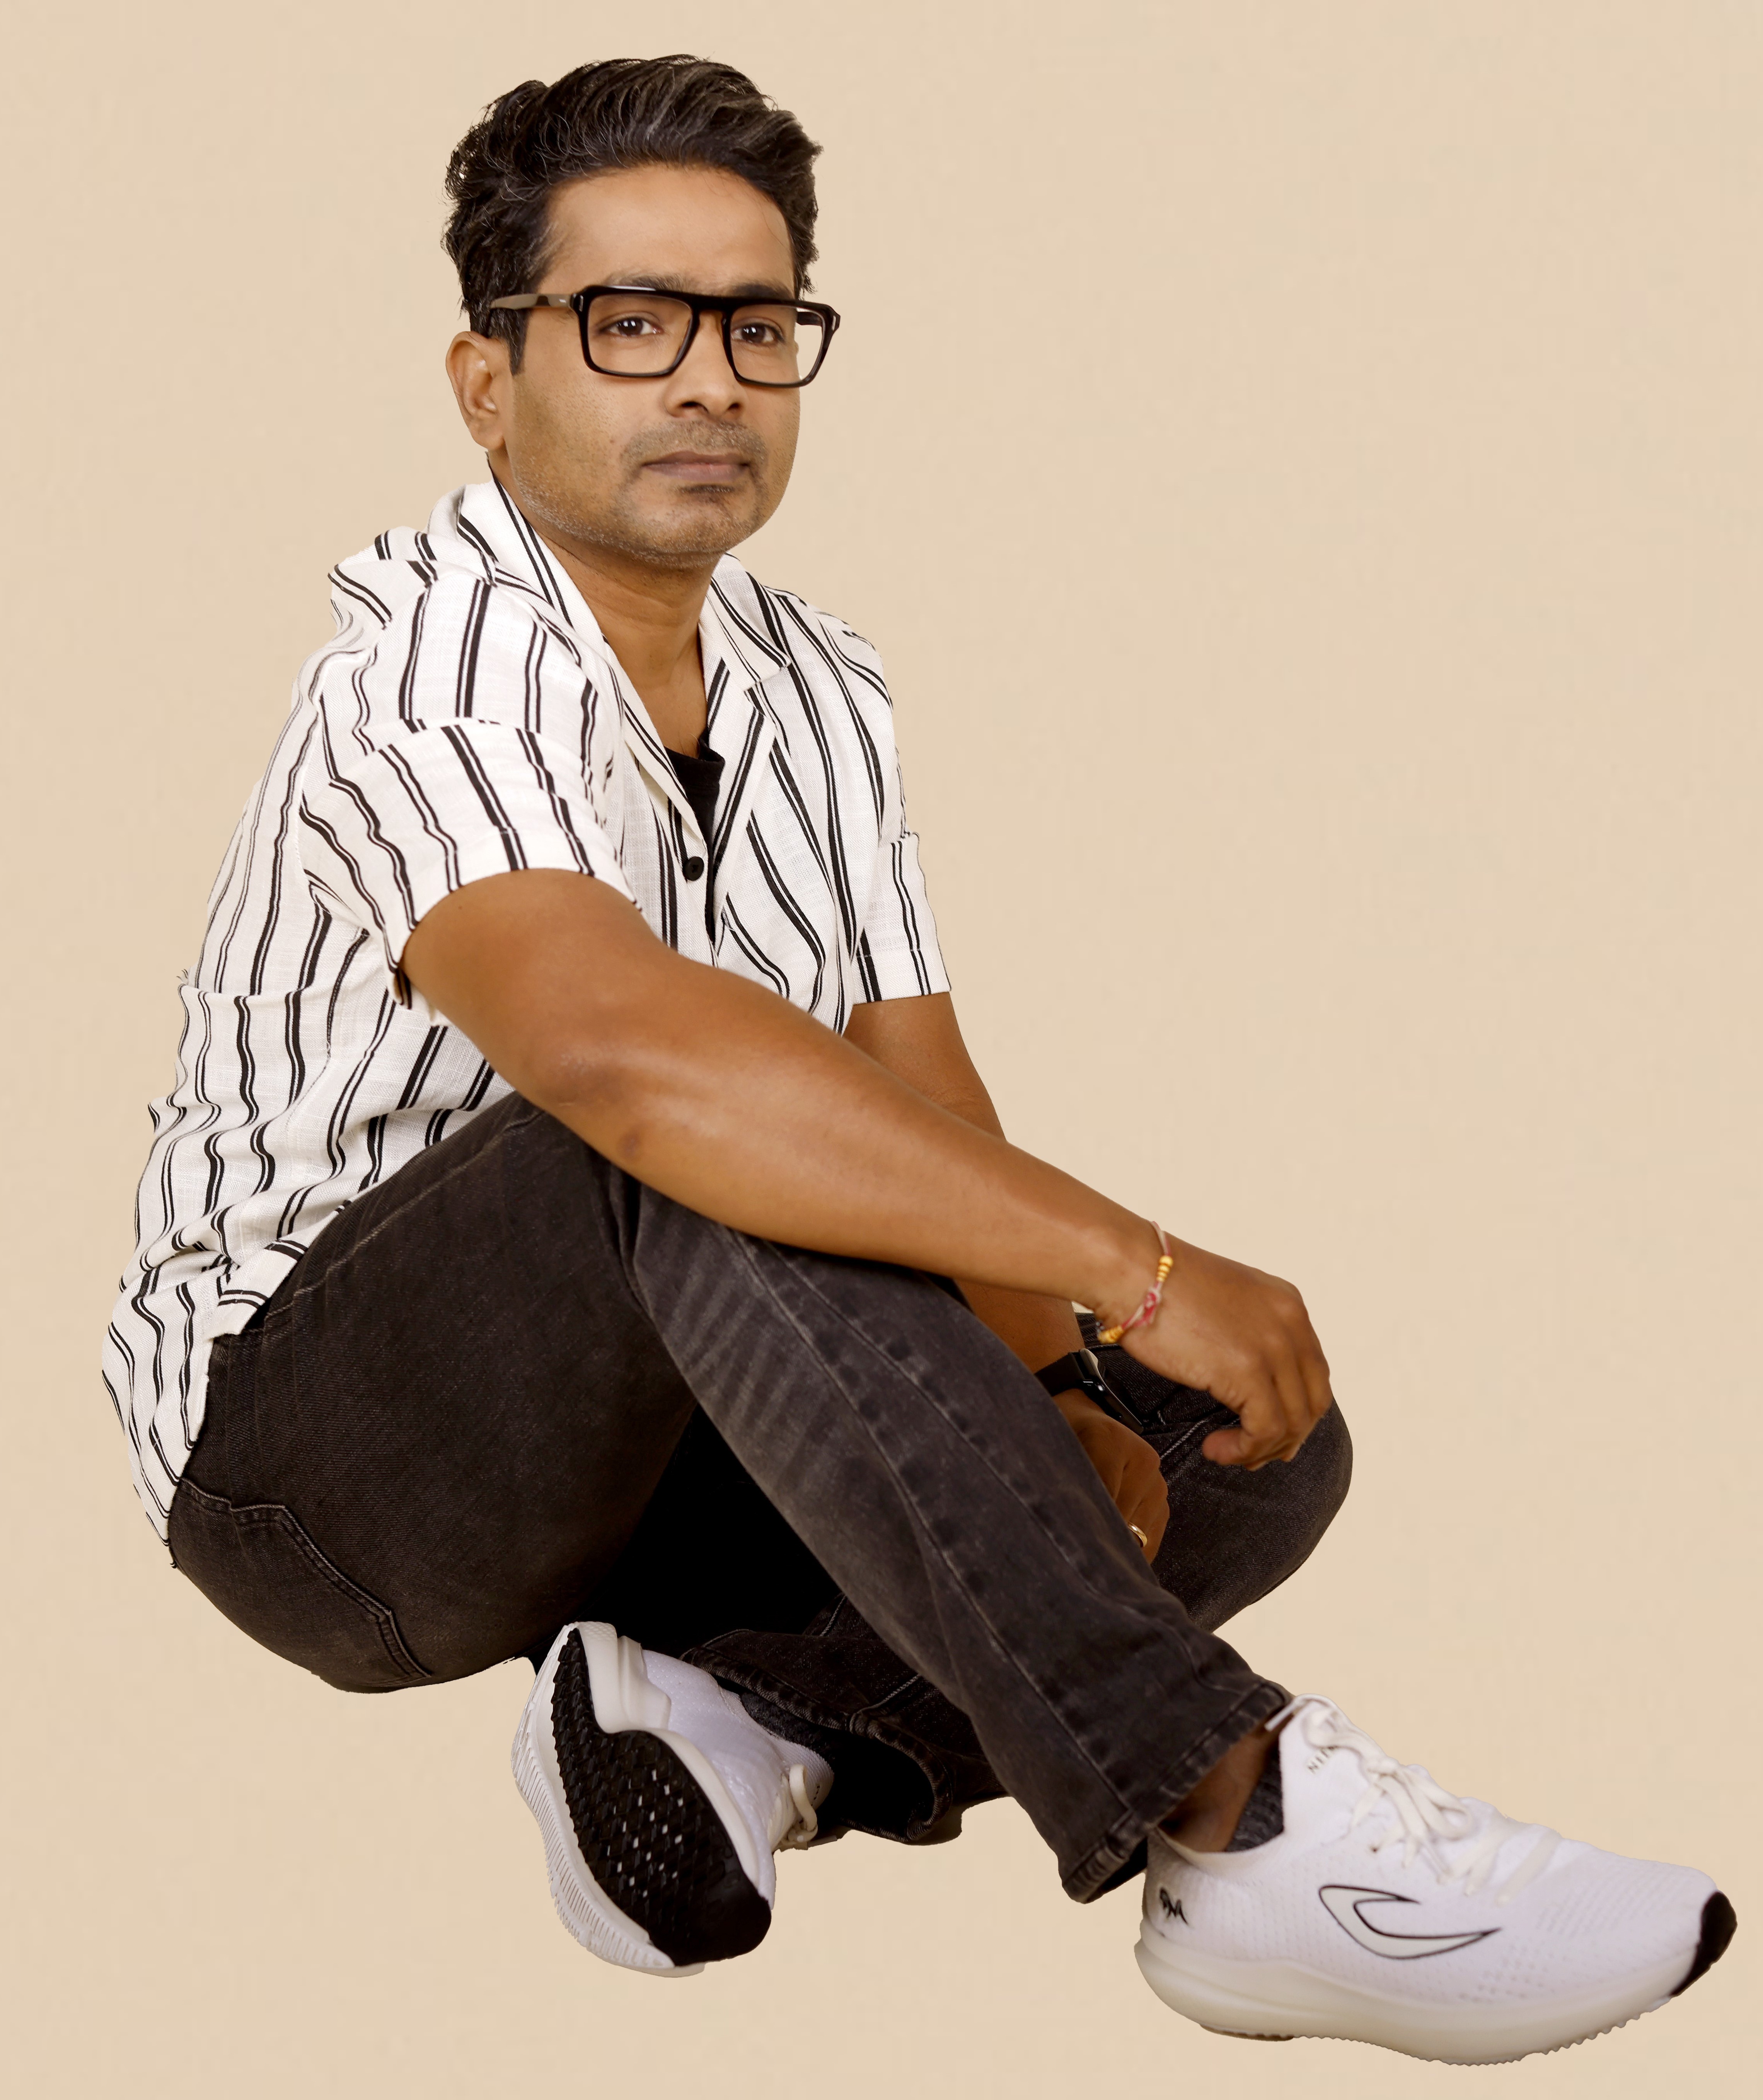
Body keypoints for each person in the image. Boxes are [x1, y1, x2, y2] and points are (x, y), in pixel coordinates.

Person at [105, 56, 1732, 2065]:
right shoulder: (423, 666)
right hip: (320, 1473)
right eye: (632, 324)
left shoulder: (819, 686)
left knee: (1240, 1439)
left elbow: (919, 1092)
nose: (710, 381)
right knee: (704, 1124)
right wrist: (1133, 1264)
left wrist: (1066, 1375)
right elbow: (625, 1060)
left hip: (675, 1418)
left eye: (755, 325)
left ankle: (729, 1713)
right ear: (487, 381)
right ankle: (1239, 1826)